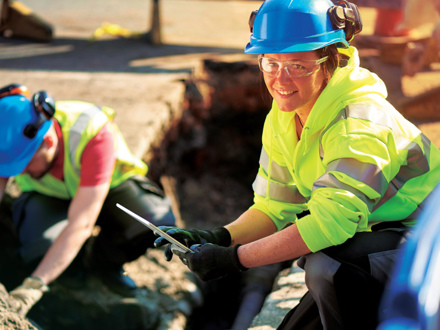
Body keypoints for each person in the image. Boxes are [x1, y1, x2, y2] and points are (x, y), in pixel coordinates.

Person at [153, 0, 440, 329]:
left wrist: (235, 260)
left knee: (327, 267)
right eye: (270, 62)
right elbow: (275, 207)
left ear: (330, 59)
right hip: (376, 241)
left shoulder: (359, 121)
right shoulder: (286, 115)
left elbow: (329, 225)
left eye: (299, 65)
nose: (281, 79)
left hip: (428, 246)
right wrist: (220, 236)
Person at [0, 83, 175, 317]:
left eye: (25, 164)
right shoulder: (11, 141)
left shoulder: (91, 131)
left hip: (109, 193)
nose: (18, 173)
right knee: (38, 244)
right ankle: (71, 273)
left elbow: (80, 224)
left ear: (49, 142)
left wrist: (34, 285)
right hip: (50, 197)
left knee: (151, 223)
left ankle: (102, 265)